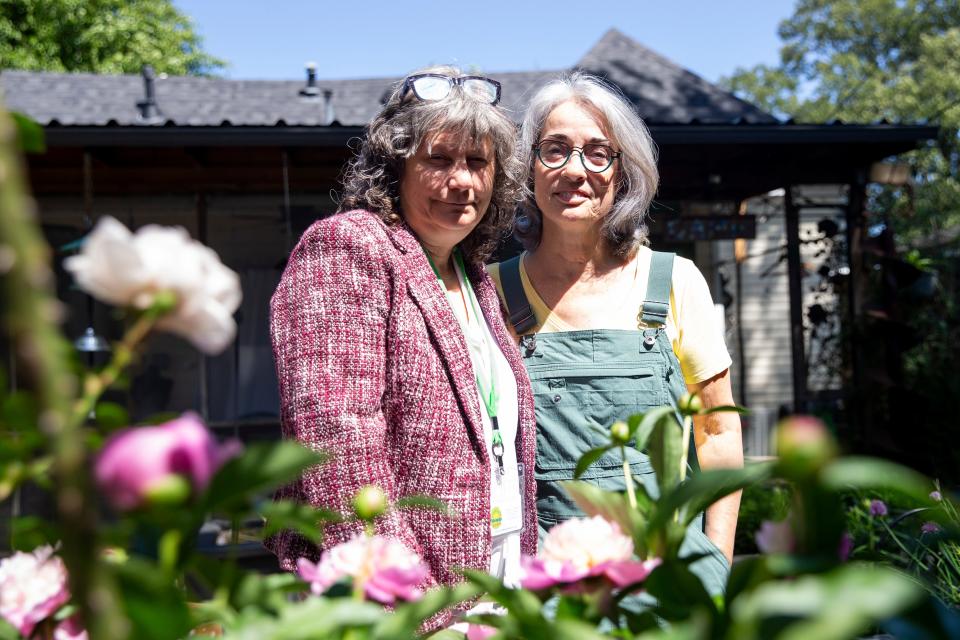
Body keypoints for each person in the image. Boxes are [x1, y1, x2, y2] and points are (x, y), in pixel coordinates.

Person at [267, 67, 537, 606]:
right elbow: (336, 443)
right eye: (439, 159)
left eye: (478, 162)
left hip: (495, 568)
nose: (462, 181)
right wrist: (402, 599)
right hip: (399, 595)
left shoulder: (473, 277)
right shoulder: (350, 248)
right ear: (395, 168)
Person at [490, 72, 743, 594]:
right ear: (528, 167)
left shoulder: (674, 282)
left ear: (623, 172)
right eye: (554, 150)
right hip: (548, 593)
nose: (574, 170)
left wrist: (715, 564)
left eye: (598, 153)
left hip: (668, 584)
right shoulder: (492, 292)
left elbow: (717, 432)